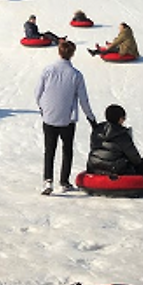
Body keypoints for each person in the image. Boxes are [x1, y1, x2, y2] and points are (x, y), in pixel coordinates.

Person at [35, 40, 97, 195]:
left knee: (49, 150)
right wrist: (91, 118)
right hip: (67, 119)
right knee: (67, 150)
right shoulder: (76, 75)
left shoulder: (47, 70)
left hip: (49, 116)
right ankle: (64, 181)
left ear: (59, 51)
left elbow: (38, 93)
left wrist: (43, 108)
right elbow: (83, 100)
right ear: (72, 54)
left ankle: (47, 181)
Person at [87, 104, 143, 191]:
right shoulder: (122, 134)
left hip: (94, 166)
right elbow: (134, 157)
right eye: (123, 118)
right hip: (115, 169)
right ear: (120, 119)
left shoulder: (97, 131)